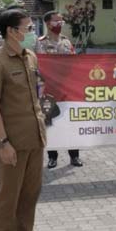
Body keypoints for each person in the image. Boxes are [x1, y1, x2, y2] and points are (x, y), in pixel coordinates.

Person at [0, 8, 51, 231]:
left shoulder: (30, 56)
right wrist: (3, 144)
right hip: (11, 141)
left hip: (34, 137)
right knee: (8, 195)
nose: (32, 33)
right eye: (28, 28)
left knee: (30, 192)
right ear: (11, 31)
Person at [35, 11, 83, 169]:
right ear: (48, 23)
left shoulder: (66, 41)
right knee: (50, 123)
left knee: (70, 123)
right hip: (49, 90)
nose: (60, 24)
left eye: (61, 21)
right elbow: (37, 66)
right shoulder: (40, 43)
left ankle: (74, 156)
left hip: (66, 89)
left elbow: (74, 63)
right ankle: (52, 157)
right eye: (57, 21)